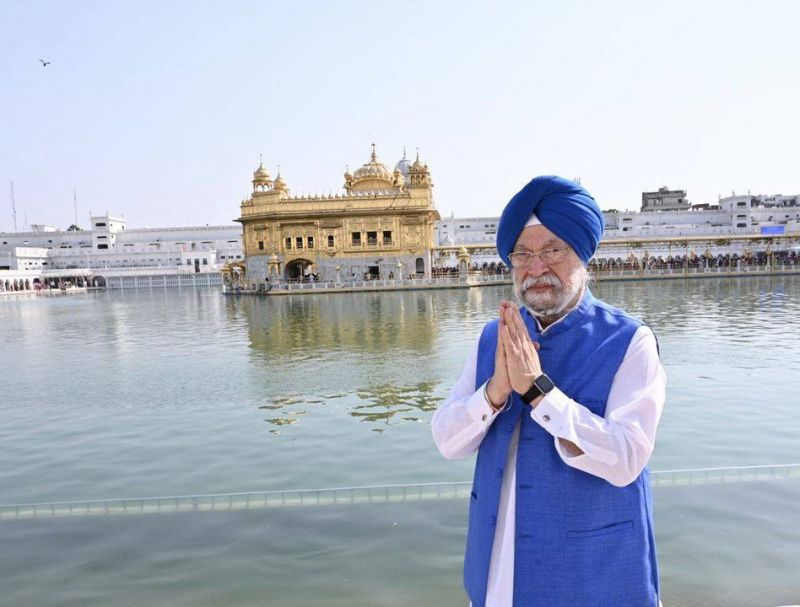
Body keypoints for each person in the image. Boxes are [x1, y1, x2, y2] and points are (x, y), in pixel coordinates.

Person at [432, 175, 666, 606]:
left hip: (591, 570)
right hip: (497, 568)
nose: (536, 268)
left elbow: (627, 458)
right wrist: (495, 392)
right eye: (522, 254)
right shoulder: (492, 337)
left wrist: (540, 394)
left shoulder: (630, 342)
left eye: (552, 251)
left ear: (583, 255)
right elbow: (446, 440)